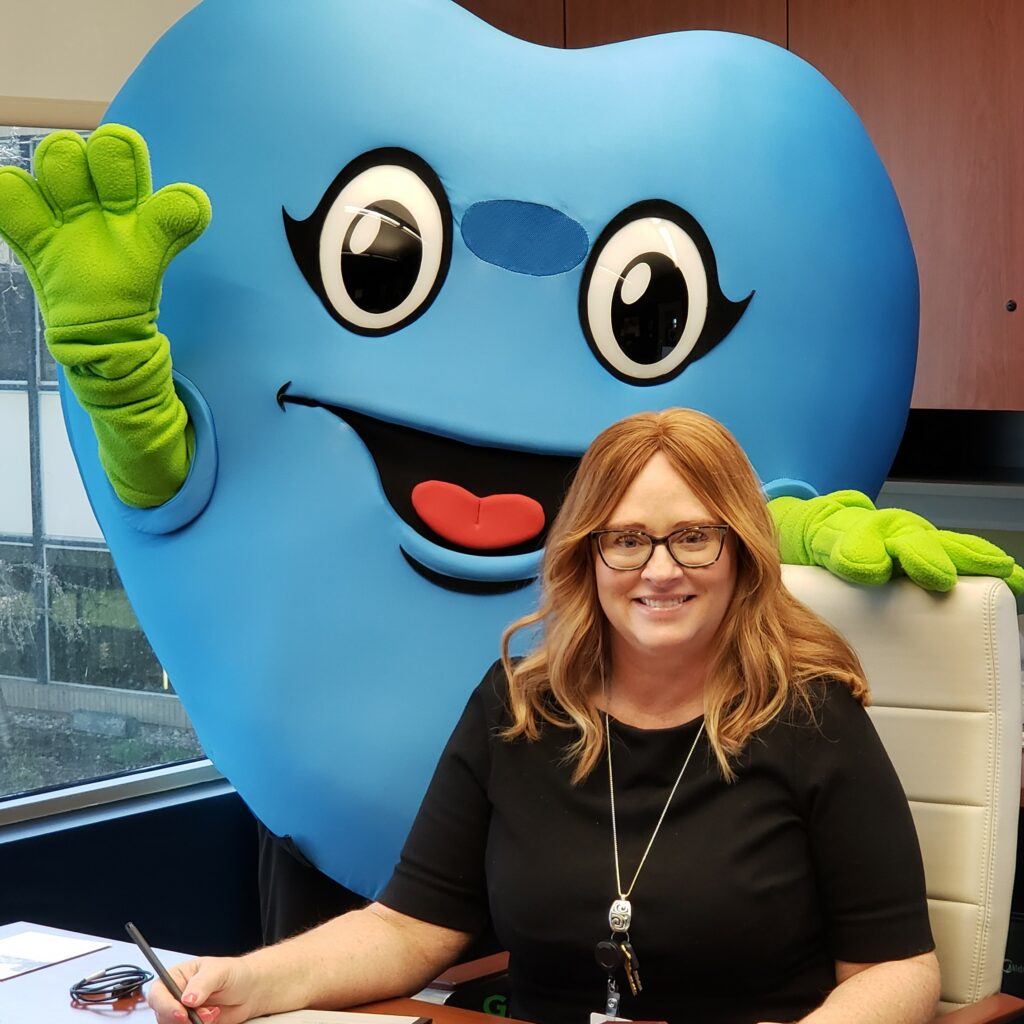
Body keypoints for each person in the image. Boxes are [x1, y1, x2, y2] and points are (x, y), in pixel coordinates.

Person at [149, 408, 940, 1024]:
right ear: (586, 557)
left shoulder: (811, 716)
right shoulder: (518, 708)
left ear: (739, 552)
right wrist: (246, 982)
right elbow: (407, 929)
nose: (660, 570)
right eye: (626, 540)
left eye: (693, 537)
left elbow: (898, 971)